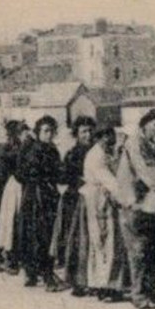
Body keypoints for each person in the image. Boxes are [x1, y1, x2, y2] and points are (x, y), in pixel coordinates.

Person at [116, 109, 155, 309]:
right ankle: (139, 294)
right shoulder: (135, 144)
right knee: (139, 250)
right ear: (144, 126)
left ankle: (149, 289)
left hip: (154, 205)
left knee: (154, 248)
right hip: (135, 205)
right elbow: (151, 176)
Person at [79, 124, 130, 301]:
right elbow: (110, 181)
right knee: (104, 241)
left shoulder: (104, 153)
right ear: (102, 138)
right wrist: (126, 198)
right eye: (109, 137)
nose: (112, 140)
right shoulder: (96, 156)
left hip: (102, 198)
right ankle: (105, 286)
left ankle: (103, 284)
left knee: (104, 241)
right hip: (98, 200)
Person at [16, 116, 64, 290]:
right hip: (32, 196)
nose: (49, 134)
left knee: (47, 235)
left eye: (51, 131)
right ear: (38, 133)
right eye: (45, 131)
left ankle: (47, 273)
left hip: (48, 196)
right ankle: (31, 273)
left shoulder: (53, 151)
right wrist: (34, 179)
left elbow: (59, 173)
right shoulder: (29, 149)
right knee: (30, 234)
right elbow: (19, 173)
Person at [55, 117, 97, 296]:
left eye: (90, 131)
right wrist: (80, 181)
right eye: (83, 132)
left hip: (94, 198)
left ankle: (95, 280)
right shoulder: (73, 153)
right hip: (76, 199)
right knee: (77, 239)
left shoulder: (99, 151)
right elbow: (63, 177)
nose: (88, 135)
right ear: (76, 134)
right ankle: (77, 281)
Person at [0, 121, 26, 273]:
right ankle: (10, 256)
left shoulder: (26, 146)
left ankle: (20, 255)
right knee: (11, 220)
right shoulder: (5, 148)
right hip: (13, 187)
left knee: (22, 220)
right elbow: (1, 171)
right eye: (20, 132)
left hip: (24, 186)